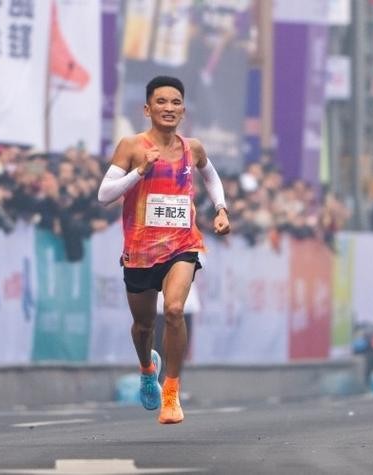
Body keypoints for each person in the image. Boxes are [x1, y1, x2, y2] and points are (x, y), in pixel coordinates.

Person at [97, 76, 230, 424]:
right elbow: (104, 195)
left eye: (175, 103)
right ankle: (147, 369)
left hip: (182, 244)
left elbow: (211, 177)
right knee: (143, 327)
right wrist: (140, 172)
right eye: (161, 102)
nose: (168, 108)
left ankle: (171, 390)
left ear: (183, 111)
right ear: (147, 109)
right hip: (140, 250)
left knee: (173, 310)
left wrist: (221, 209)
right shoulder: (131, 146)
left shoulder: (193, 148)